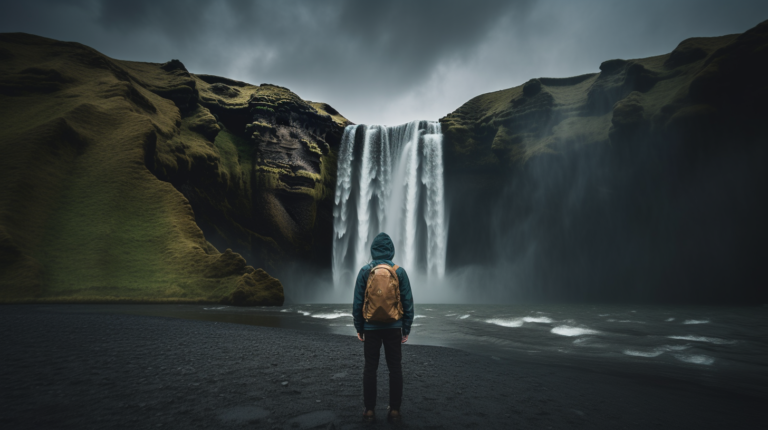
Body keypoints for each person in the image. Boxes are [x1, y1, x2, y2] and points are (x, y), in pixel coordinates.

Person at [352, 232, 414, 424]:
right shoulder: (399, 272)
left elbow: (357, 303)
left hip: (370, 327)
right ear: (391, 250)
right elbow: (408, 301)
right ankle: (395, 411)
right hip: (394, 327)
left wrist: (359, 327)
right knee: (395, 368)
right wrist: (406, 327)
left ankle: (369, 411)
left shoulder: (365, 271)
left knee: (370, 368)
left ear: (373, 250)